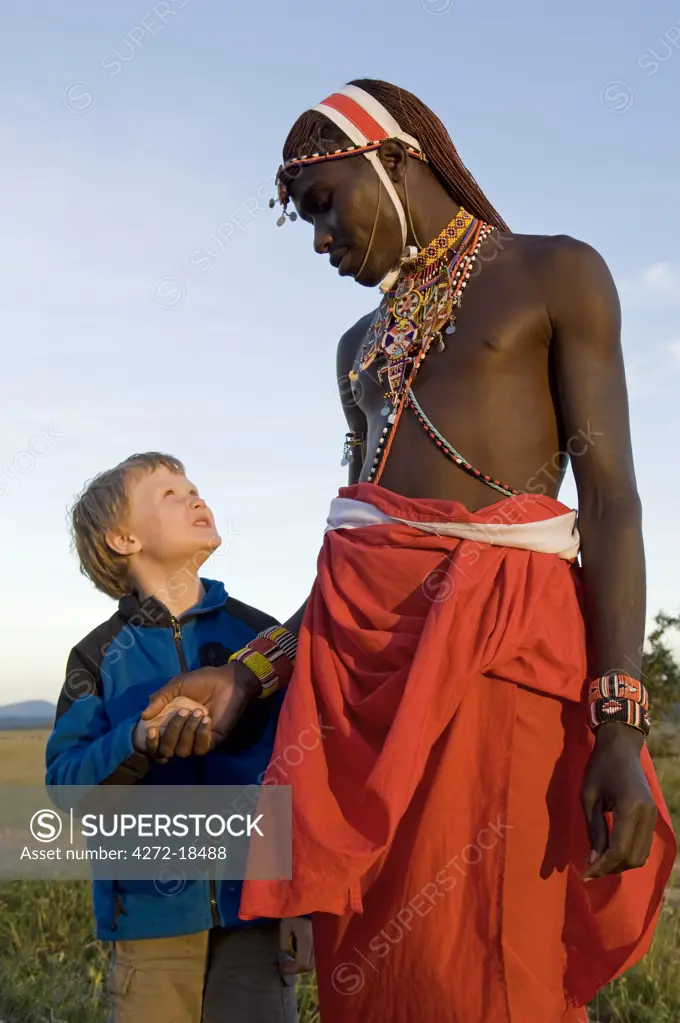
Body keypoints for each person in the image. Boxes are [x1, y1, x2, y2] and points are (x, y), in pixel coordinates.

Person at [140, 81, 677, 1023]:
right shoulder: (357, 349)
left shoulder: (556, 273)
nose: (318, 241)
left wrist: (622, 722)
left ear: (391, 159)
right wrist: (248, 673)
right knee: (373, 978)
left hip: (498, 668)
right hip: (354, 709)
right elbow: (364, 558)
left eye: (323, 205)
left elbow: (616, 504)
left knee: (487, 964)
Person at [45, 452, 312, 1023]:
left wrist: (301, 906)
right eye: (169, 494)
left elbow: (299, 775)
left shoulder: (261, 639)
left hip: (257, 915)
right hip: (148, 923)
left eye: (193, 487)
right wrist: (136, 742)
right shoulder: (95, 658)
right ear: (123, 539)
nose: (196, 497)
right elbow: (66, 787)